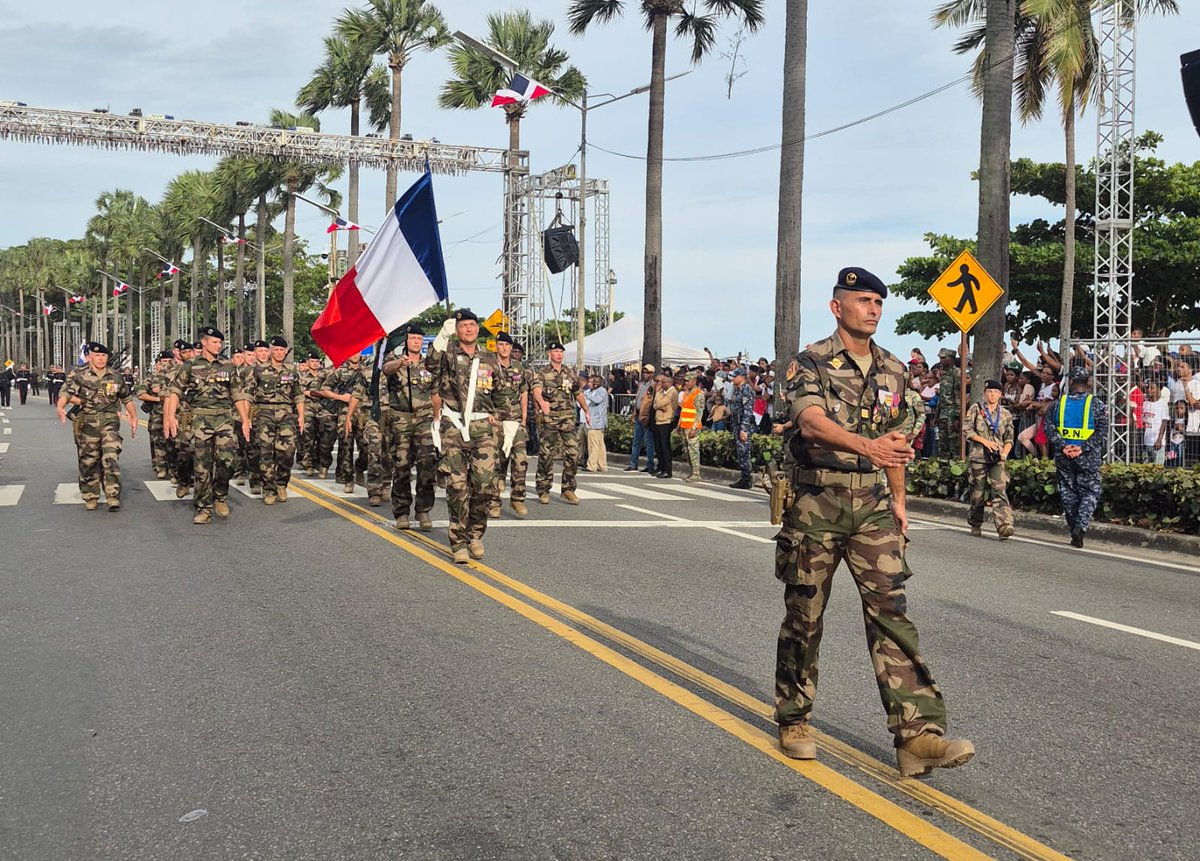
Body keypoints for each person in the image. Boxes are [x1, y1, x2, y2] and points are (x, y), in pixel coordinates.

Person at [773, 266, 973, 778]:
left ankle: (918, 736)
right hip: (818, 502)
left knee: (891, 613)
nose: (873, 309)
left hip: (874, 508)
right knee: (806, 615)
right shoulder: (809, 363)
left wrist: (901, 504)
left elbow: (898, 448)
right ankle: (794, 718)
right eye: (863, 300)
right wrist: (867, 446)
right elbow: (812, 421)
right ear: (837, 306)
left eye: (878, 302)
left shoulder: (894, 370)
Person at [430, 309, 500, 563]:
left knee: (484, 486)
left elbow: (500, 392)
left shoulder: (489, 359)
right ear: (456, 329)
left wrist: (500, 419)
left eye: (472, 324)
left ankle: (475, 533)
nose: (468, 329)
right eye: (463, 325)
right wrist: (441, 336)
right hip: (454, 426)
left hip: (482, 428)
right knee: (457, 487)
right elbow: (429, 366)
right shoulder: (447, 354)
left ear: (477, 329)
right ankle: (458, 541)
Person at [163, 327, 251, 525]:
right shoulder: (190, 365)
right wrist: (170, 416)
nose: (218, 346)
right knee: (202, 466)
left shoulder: (228, 366)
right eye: (214, 342)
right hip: (200, 420)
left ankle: (220, 495)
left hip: (224, 419)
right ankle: (204, 508)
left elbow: (237, 393)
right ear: (204, 342)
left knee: (228, 461)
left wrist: (245, 419)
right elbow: (175, 391)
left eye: (220, 343)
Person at [55, 342, 138, 511]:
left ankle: (112, 495)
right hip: (87, 423)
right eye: (97, 355)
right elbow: (66, 392)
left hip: (109, 422)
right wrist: (60, 407)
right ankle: (90, 495)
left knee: (111, 456)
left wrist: (133, 416)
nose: (100, 358)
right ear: (91, 356)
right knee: (89, 460)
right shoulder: (79, 374)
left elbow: (127, 398)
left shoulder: (115, 375)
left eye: (104, 356)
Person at [1044, 366, 1108, 548]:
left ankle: (1074, 529)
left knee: (1068, 493)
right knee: (1089, 492)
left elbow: (1048, 428)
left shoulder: (1058, 404)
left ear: (1070, 382)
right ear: (1088, 383)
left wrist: (1064, 445)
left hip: (1064, 456)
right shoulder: (1097, 405)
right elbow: (1102, 432)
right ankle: (1081, 525)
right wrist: (1082, 448)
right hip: (1087, 457)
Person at [382, 324, 437, 530]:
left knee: (427, 464)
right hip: (401, 418)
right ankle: (402, 511)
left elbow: (435, 393)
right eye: (412, 338)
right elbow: (386, 370)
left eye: (419, 339)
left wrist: (438, 418)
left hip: (424, 418)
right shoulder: (395, 361)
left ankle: (423, 510)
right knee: (402, 466)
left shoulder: (428, 365)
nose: (416, 341)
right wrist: (399, 363)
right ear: (406, 341)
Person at [531, 341, 590, 505]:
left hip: (567, 418)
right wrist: (541, 402)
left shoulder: (569, 373)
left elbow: (577, 393)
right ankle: (543, 489)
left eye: (560, 351)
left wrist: (586, 410)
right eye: (555, 351)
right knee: (546, 454)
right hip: (549, 418)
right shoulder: (542, 373)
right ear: (549, 354)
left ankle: (568, 489)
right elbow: (536, 390)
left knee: (573, 452)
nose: (558, 354)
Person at [250, 336, 305, 505]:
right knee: (266, 452)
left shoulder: (291, 370)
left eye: (283, 350)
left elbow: (298, 394)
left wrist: (301, 416)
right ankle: (268, 489)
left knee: (288, 452)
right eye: (277, 350)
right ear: (271, 351)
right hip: (265, 413)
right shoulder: (259, 370)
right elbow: (249, 394)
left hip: (287, 414)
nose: (280, 353)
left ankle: (281, 483)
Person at [963, 379, 1015, 539]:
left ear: (1000, 394)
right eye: (989, 392)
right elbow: (967, 431)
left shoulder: (1005, 414)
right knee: (977, 493)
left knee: (999, 491)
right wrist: (984, 441)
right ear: (985, 393)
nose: (992, 395)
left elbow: (1009, 438)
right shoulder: (976, 409)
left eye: (995, 392)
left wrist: (1004, 454)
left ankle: (1004, 525)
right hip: (979, 456)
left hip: (997, 458)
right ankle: (975, 522)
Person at [136, 351, 175, 479]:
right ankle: (161, 466)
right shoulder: (153, 378)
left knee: (174, 441)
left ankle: (173, 467)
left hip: (174, 413)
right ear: (158, 363)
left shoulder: (177, 375)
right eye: (163, 362)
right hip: (158, 414)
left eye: (169, 361)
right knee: (158, 441)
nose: (167, 364)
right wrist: (158, 399)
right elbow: (141, 394)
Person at [625, 364, 657, 472]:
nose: (645, 374)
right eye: (644, 372)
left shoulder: (653, 386)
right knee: (636, 441)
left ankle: (650, 465)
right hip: (638, 414)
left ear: (652, 374)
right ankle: (633, 463)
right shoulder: (641, 384)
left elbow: (650, 402)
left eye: (647, 372)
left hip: (646, 416)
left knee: (648, 442)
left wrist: (648, 416)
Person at [728, 366, 756, 489]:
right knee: (740, 452)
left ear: (742, 377)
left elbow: (748, 410)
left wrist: (744, 429)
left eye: (735, 376)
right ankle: (744, 476)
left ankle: (746, 478)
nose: (733, 379)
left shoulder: (746, 390)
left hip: (743, 424)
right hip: (736, 423)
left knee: (744, 451)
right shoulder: (737, 389)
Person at [649, 372, 679, 479]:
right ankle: (661, 467)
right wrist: (658, 403)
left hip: (666, 421)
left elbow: (661, 403)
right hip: (658, 420)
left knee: (665, 447)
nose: (661, 384)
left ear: (669, 383)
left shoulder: (672, 392)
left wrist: (658, 403)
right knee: (659, 446)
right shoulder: (661, 392)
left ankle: (667, 469)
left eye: (664, 382)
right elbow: (655, 404)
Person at [677, 373, 705, 482]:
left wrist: (694, 428)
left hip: (693, 427)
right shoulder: (686, 394)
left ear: (694, 381)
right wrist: (679, 425)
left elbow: (699, 413)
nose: (686, 383)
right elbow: (683, 410)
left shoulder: (699, 394)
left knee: (693, 450)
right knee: (687, 451)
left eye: (688, 381)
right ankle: (692, 471)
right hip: (685, 425)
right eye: (685, 381)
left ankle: (696, 473)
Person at [934, 348, 961, 457]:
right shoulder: (944, 375)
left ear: (951, 359)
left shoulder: (957, 373)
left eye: (944, 358)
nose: (941, 360)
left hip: (952, 413)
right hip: (942, 413)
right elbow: (942, 397)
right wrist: (936, 415)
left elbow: (958, 396)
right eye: (940, 358)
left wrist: (958, 417)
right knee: (942, 443)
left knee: (953, 444)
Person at [1139, 379, 1170, 465]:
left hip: (1157, 442)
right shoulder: (1145, 404)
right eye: (1148, 387)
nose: (1149, 390)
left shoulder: (1163, 405)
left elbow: (1164, 424)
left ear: (1159, 389)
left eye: (1152, 388)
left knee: (1158, 467)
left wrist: (1159, 439)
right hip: (1146, 441)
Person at [584, 373, 609, 472]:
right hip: (595, 421)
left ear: (601, 383)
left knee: (593, 444)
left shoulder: (601, 391)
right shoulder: (594, 391)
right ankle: (601, 465)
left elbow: (597, 400)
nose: (594, 384)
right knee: (599, 444)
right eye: (593, 381)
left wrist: (586, 394)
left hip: (596, 421)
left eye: (597, 382)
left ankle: (592, 465)